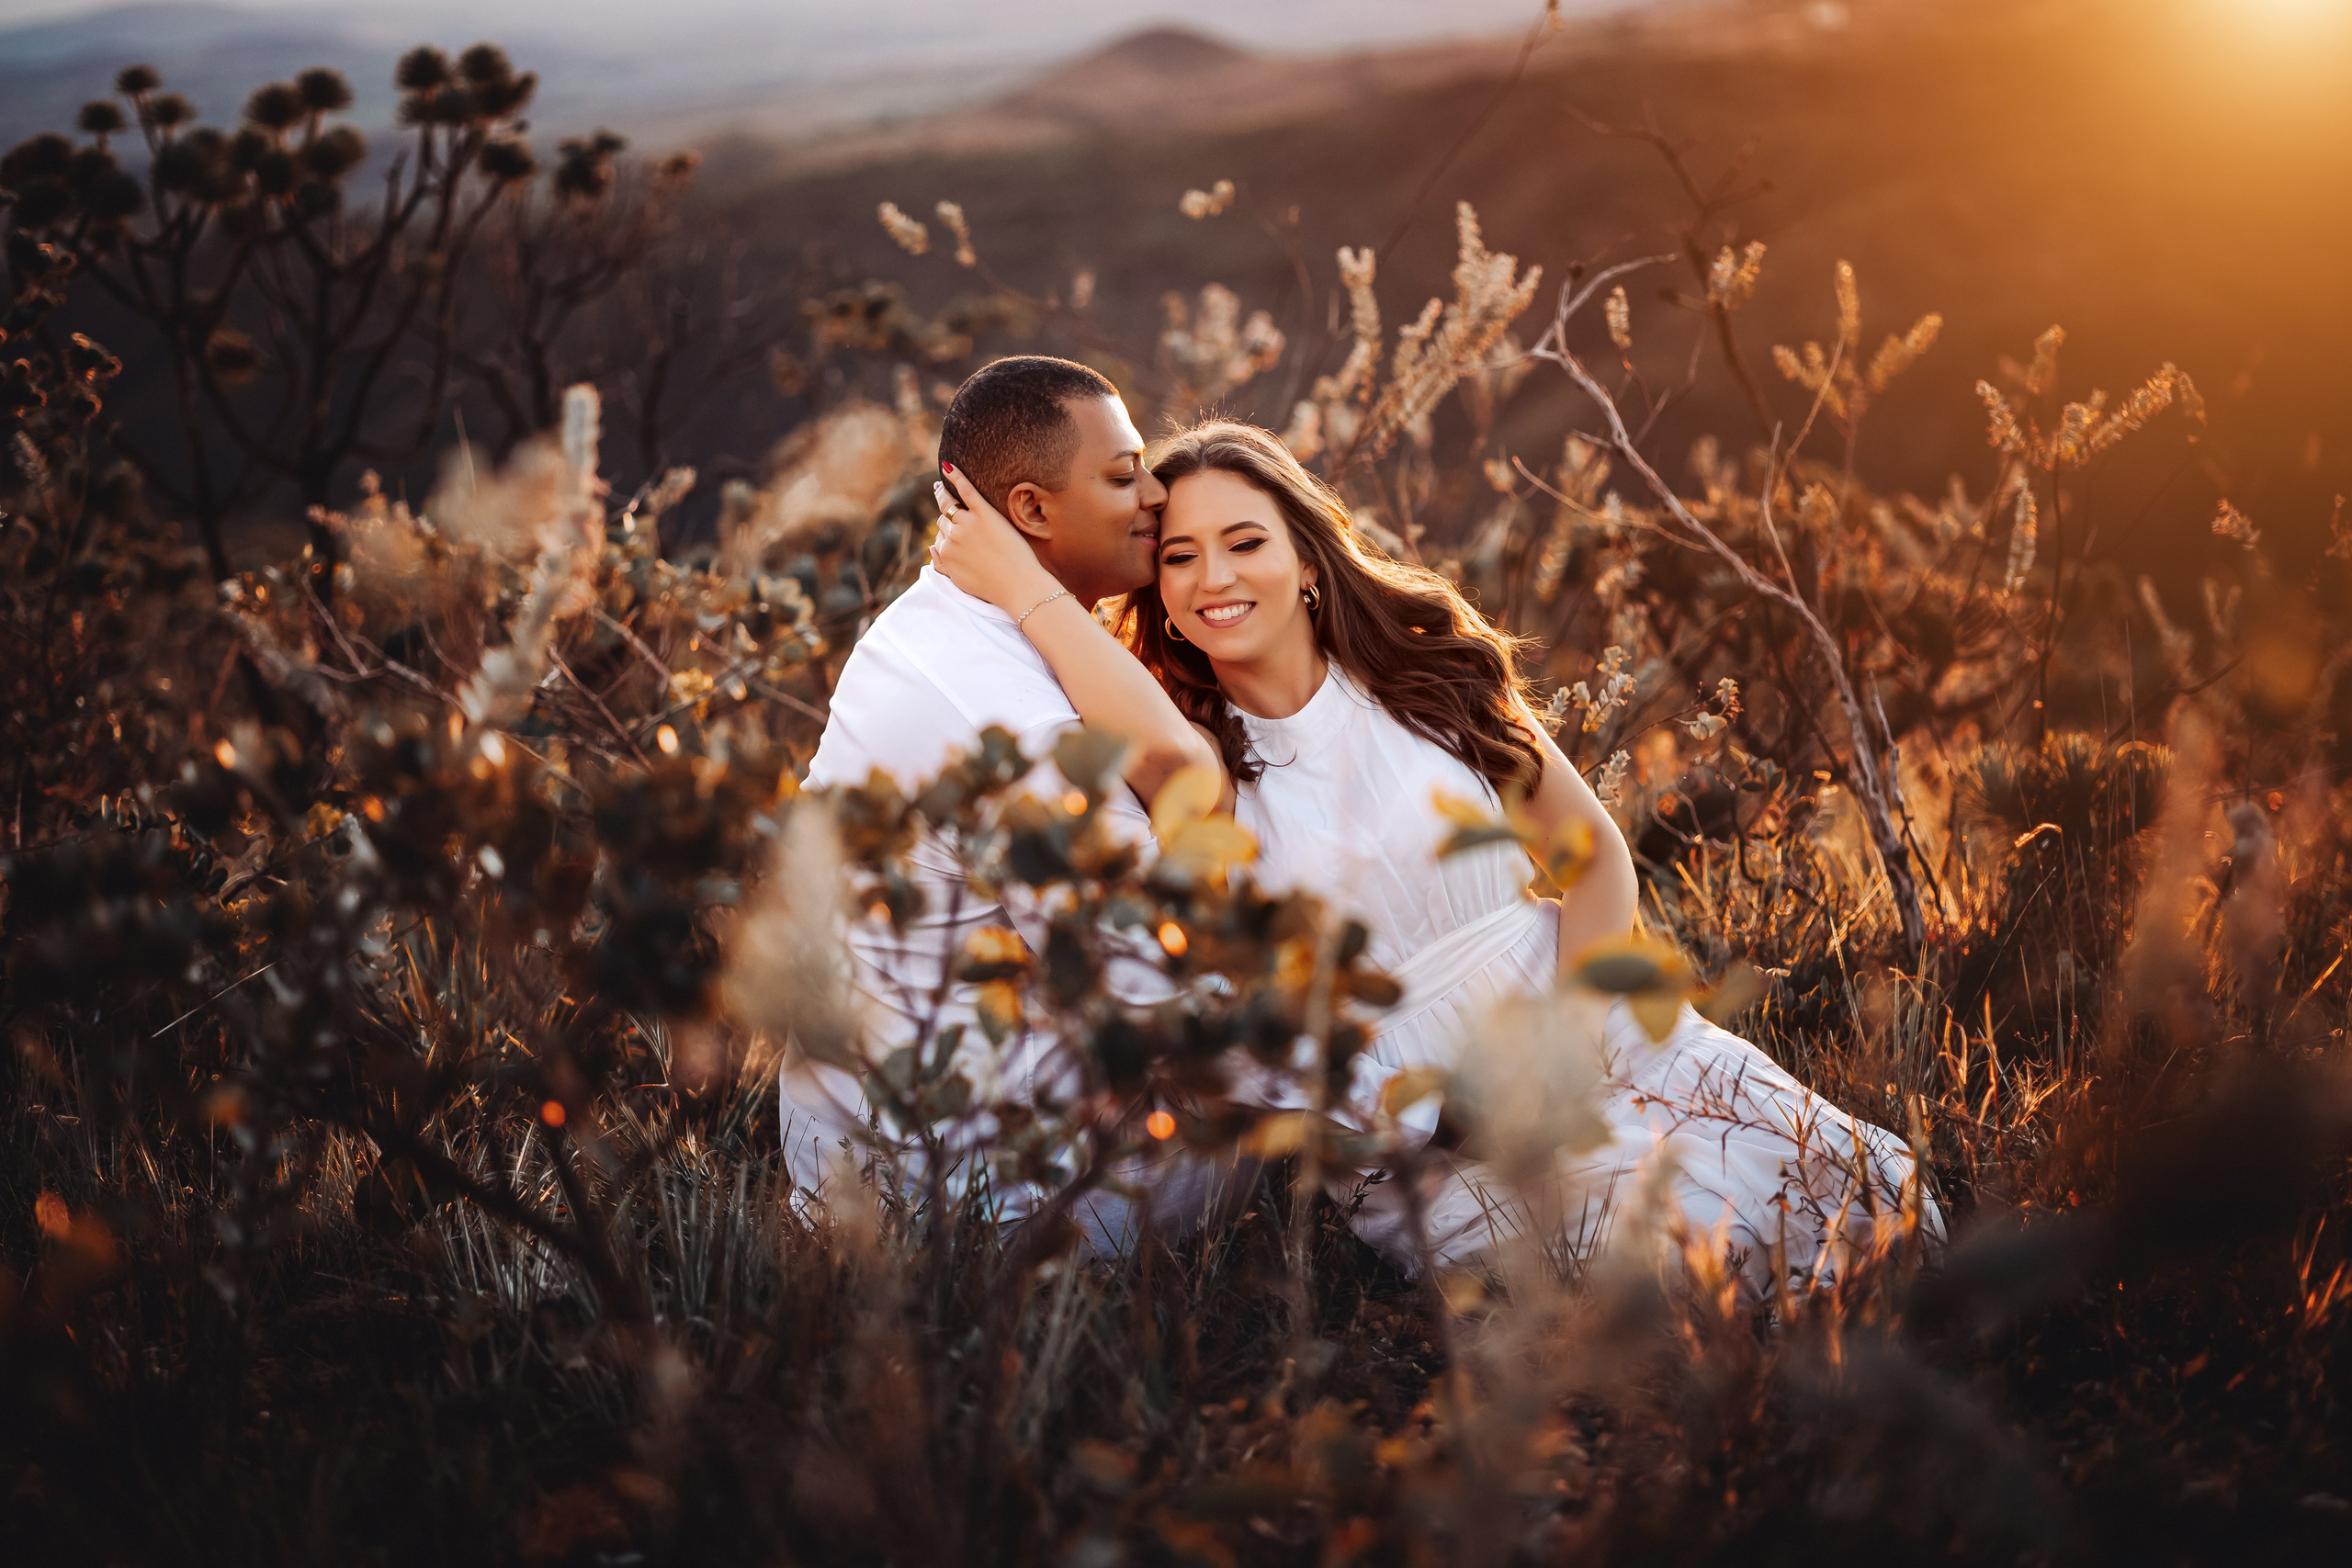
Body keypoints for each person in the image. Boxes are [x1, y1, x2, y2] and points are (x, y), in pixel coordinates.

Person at [930, 419, 1939, 1293]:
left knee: (1875, 1208)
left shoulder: (1429, 678)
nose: (1213, 578)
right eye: (1179, 557)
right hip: (1413, 1119)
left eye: (1243, 541)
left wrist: (1570, 1041)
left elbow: (1592, 862)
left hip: (1582, 1018)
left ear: (1309, 557)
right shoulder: (1203, 758)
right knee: (1688, 1273)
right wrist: (1025, 581)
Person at [786, 355, 1234, 1244]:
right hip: (988, 1202)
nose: (1156, 495)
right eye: (1121, 475)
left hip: (846, 1150)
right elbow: (1162, 998)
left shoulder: (922, 628)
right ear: (1029, 509)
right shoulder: (1015, 726)